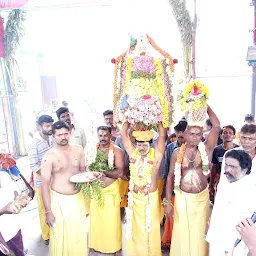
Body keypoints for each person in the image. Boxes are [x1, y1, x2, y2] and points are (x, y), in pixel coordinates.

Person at [165, 105, 220, 256]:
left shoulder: (207, 149)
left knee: (200, 233)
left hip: (201, 198)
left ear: (202, 135)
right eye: (192, 133)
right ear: (185, 134)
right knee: (181, 231)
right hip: (182, 197)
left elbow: (216, 125)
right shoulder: (177, 153)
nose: (195, 137)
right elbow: (170, 177)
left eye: (198, 134)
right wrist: (167, 203)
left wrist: (205, 104)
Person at [40, 121, 88, 256]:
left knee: (78, 233)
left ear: (70, 133)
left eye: (66, 134)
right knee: (60, 236)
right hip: (59, 201)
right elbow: (44, 185)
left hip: (77, 199)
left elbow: (83, 171)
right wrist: (48, 211)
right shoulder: (49, 157)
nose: (63, 137)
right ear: (53, 136)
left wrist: (91, 179)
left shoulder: (78, 149)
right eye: (59, 134)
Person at [121, 121, 166, 256]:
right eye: (139, 144)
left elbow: (162, 137)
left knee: (150, 230)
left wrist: (159, 120)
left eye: (144, 145)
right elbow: (124, 135)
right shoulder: (133, 154)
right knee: (134, 231)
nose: (141, 148)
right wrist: (129, 119)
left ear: (150, 144)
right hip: (135, 199)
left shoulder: (156, 156)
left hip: (149, 199)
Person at [207, 149, 256, 256]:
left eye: (233, 167)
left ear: (245, 170)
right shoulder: (227, 182)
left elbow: (241, 225)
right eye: (226, 165)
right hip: (217, 241)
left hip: (233, 247)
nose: (227, 169)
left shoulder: (249, 191)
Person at [89, 126, 125, 256]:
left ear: (111, 136)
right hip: (96, 191)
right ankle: (96, 245)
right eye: (100, 135)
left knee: (112, 221)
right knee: (96, 221)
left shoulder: (117, 151)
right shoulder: (93, 150)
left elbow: (119, 172)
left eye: (105, 135)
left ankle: (116, 248)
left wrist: (101, 172)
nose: (102, 138)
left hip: (110, 191)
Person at [27, 114, 54, 244]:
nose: (50, 128)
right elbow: (34, 165)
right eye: (47, 126)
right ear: (39, 127)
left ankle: (55, 230)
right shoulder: (33, 143)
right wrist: (48, 174)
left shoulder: (52, 139)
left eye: (51, 125)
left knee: (53, 206)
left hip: (54, 180)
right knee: (44, 208)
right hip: (42, 181)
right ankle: (47, 236)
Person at [161, 119, 187, 249]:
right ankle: (169, 240)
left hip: (187, 188)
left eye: (183, 137)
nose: (181, 140)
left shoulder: (194, 148)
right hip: (173, 187)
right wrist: (165, 189)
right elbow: (167, 171)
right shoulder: (172, 147)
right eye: (178, 137)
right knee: (171, 214)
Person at [0, 167, 26, 256]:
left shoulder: (4, 176)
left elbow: (14, 191)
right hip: (2, 237)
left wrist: (18, 199)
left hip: (14, 228)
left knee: (19, 252)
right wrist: (3, 211)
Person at [209, 125, 238, 202]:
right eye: (225, 133)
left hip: (234, 181)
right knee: (219, 202)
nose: (227, 134)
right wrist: (211, 183)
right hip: (220, 180)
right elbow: (214, 167)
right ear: (221, 136)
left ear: (234, 136)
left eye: (230, 133)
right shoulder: (217, 150)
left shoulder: (238, 150)